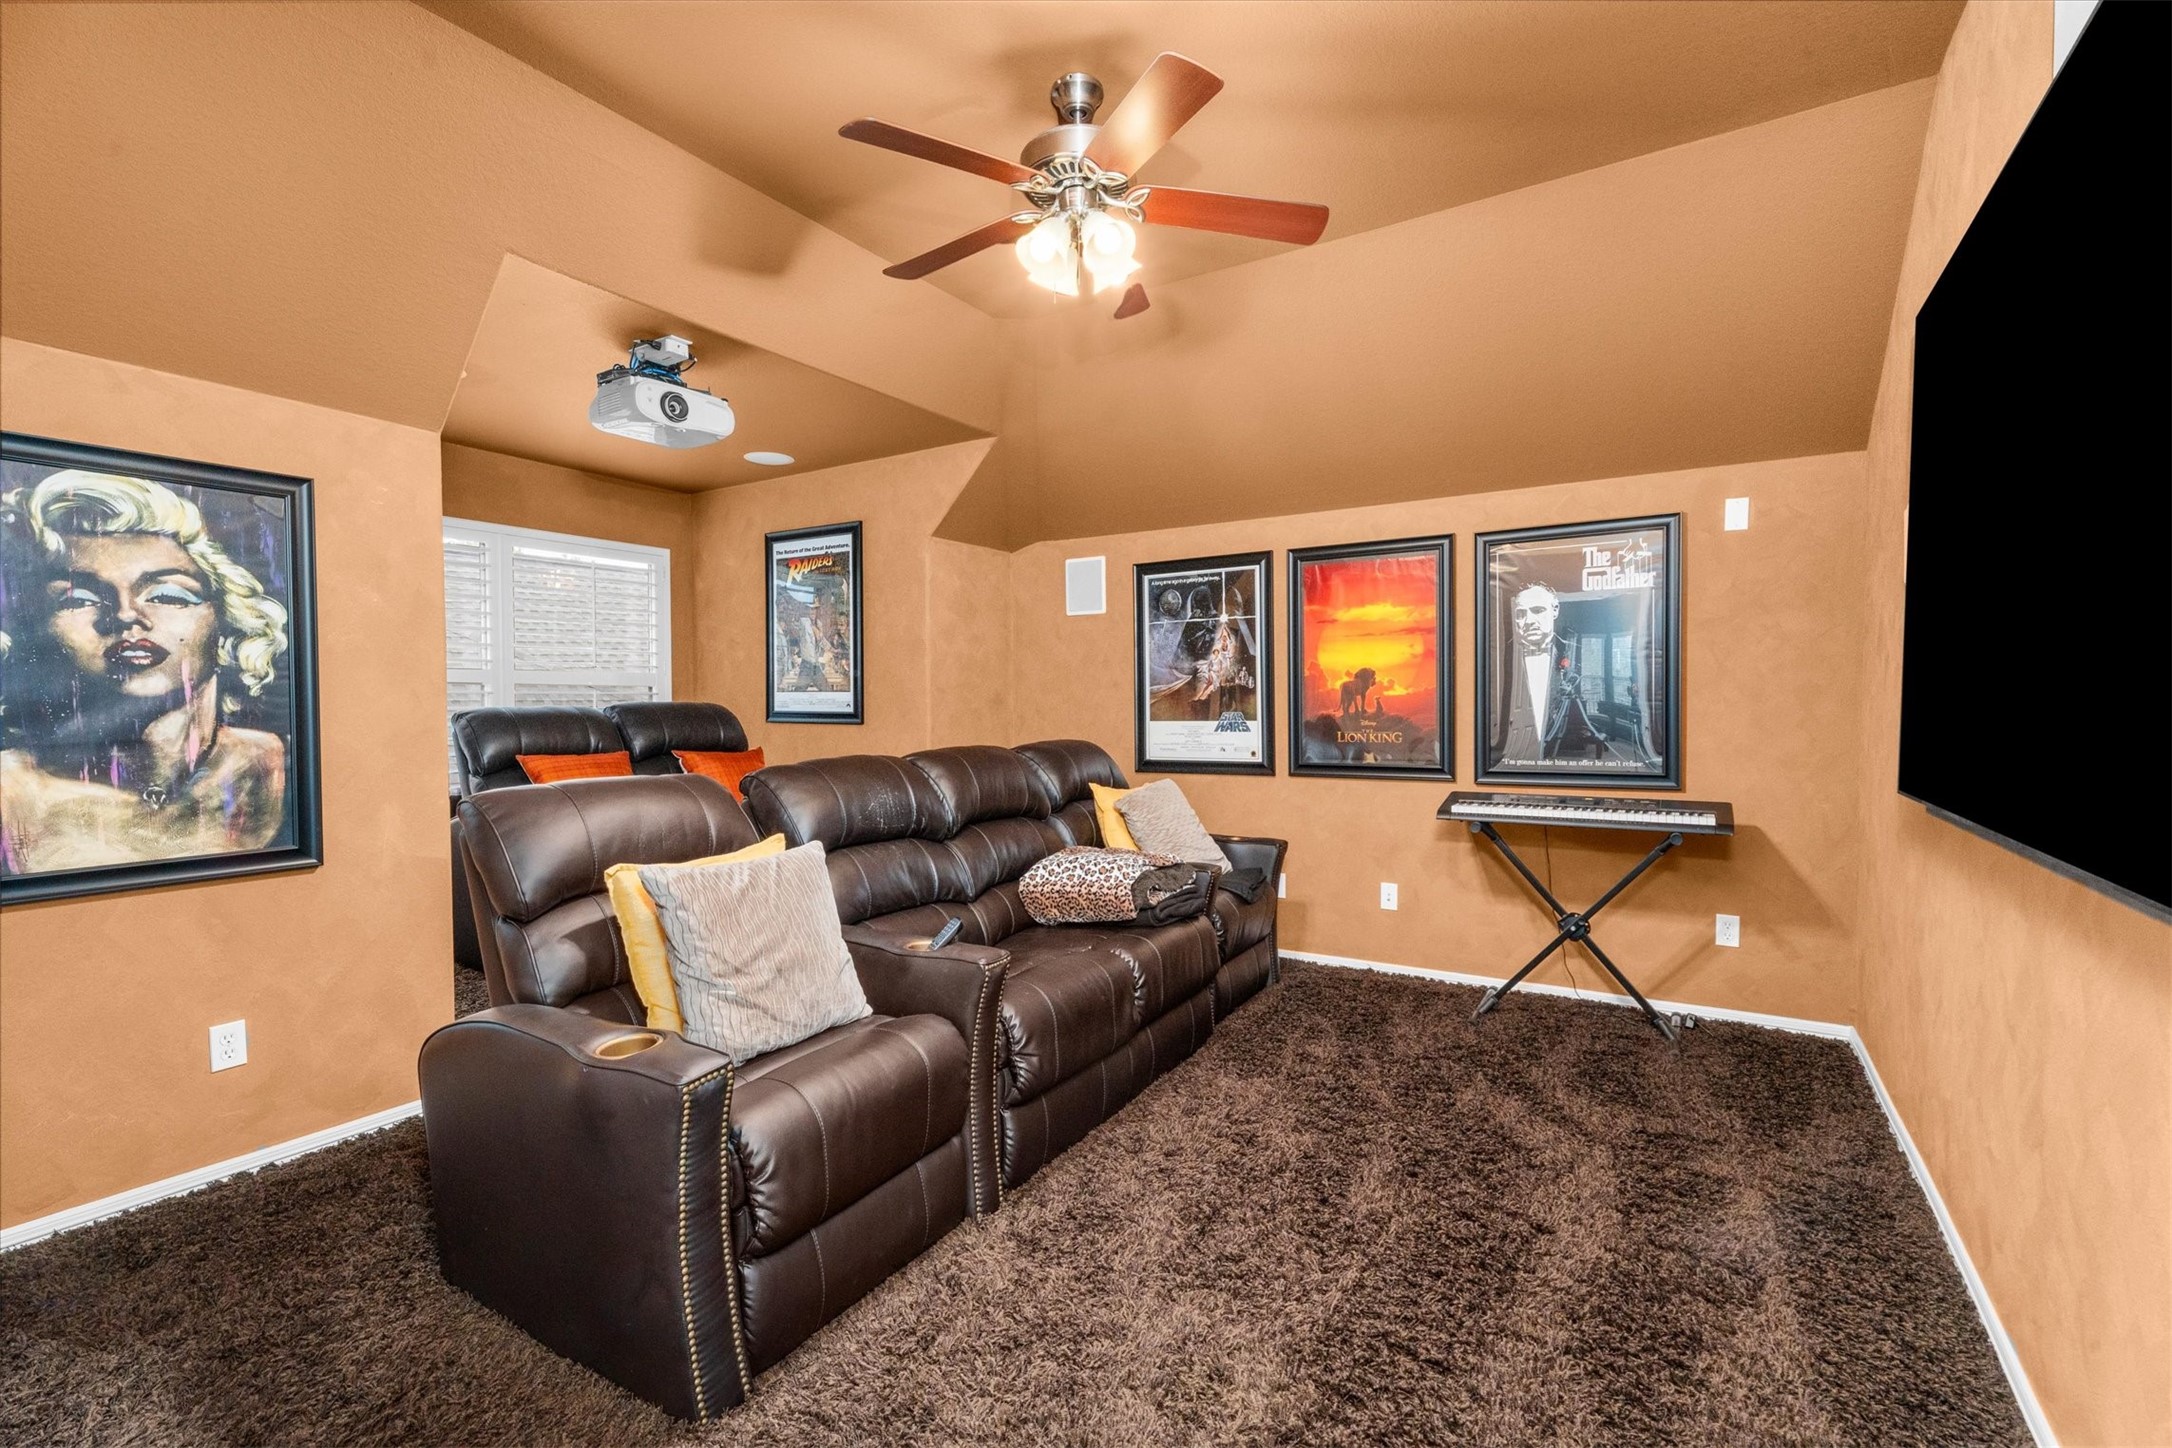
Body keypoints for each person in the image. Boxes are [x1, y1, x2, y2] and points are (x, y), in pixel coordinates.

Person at [0, 470, 290, 873]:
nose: (125, 616)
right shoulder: (10, 795)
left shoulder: (273, 765)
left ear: (227, 623)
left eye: (169, 595)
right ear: (32, 634)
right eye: (78, 599)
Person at [1489, 580, 1609, 768]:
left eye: (1537, 610)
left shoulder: (1566, 650)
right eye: (1521, 614)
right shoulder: (1500, 654)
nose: (1529, 621)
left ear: (1554, 610)